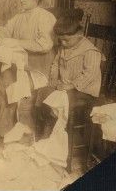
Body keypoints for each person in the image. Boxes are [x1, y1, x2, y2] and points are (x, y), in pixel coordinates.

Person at [0, 0, 57, 142]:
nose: (21, 0)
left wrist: (17, 42)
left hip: (38, 68)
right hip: (21, 65)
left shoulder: (45, 17)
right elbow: (5, 30)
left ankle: (15, 133)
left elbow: (45, 45)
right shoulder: (20, 16)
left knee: (10, 85)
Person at [35, 9, 103, 139]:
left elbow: (90, 74)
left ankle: (56, 132)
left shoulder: (90, 51)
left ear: (80, 34)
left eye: (66, 40)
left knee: (57, 101)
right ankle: (48, 127)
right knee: (44, 92)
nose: (63, 44)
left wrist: (71, 85)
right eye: (60, 40)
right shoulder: (63, 47)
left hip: (84, 92)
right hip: (67, 88)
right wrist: (53, 80)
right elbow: (55, 65)